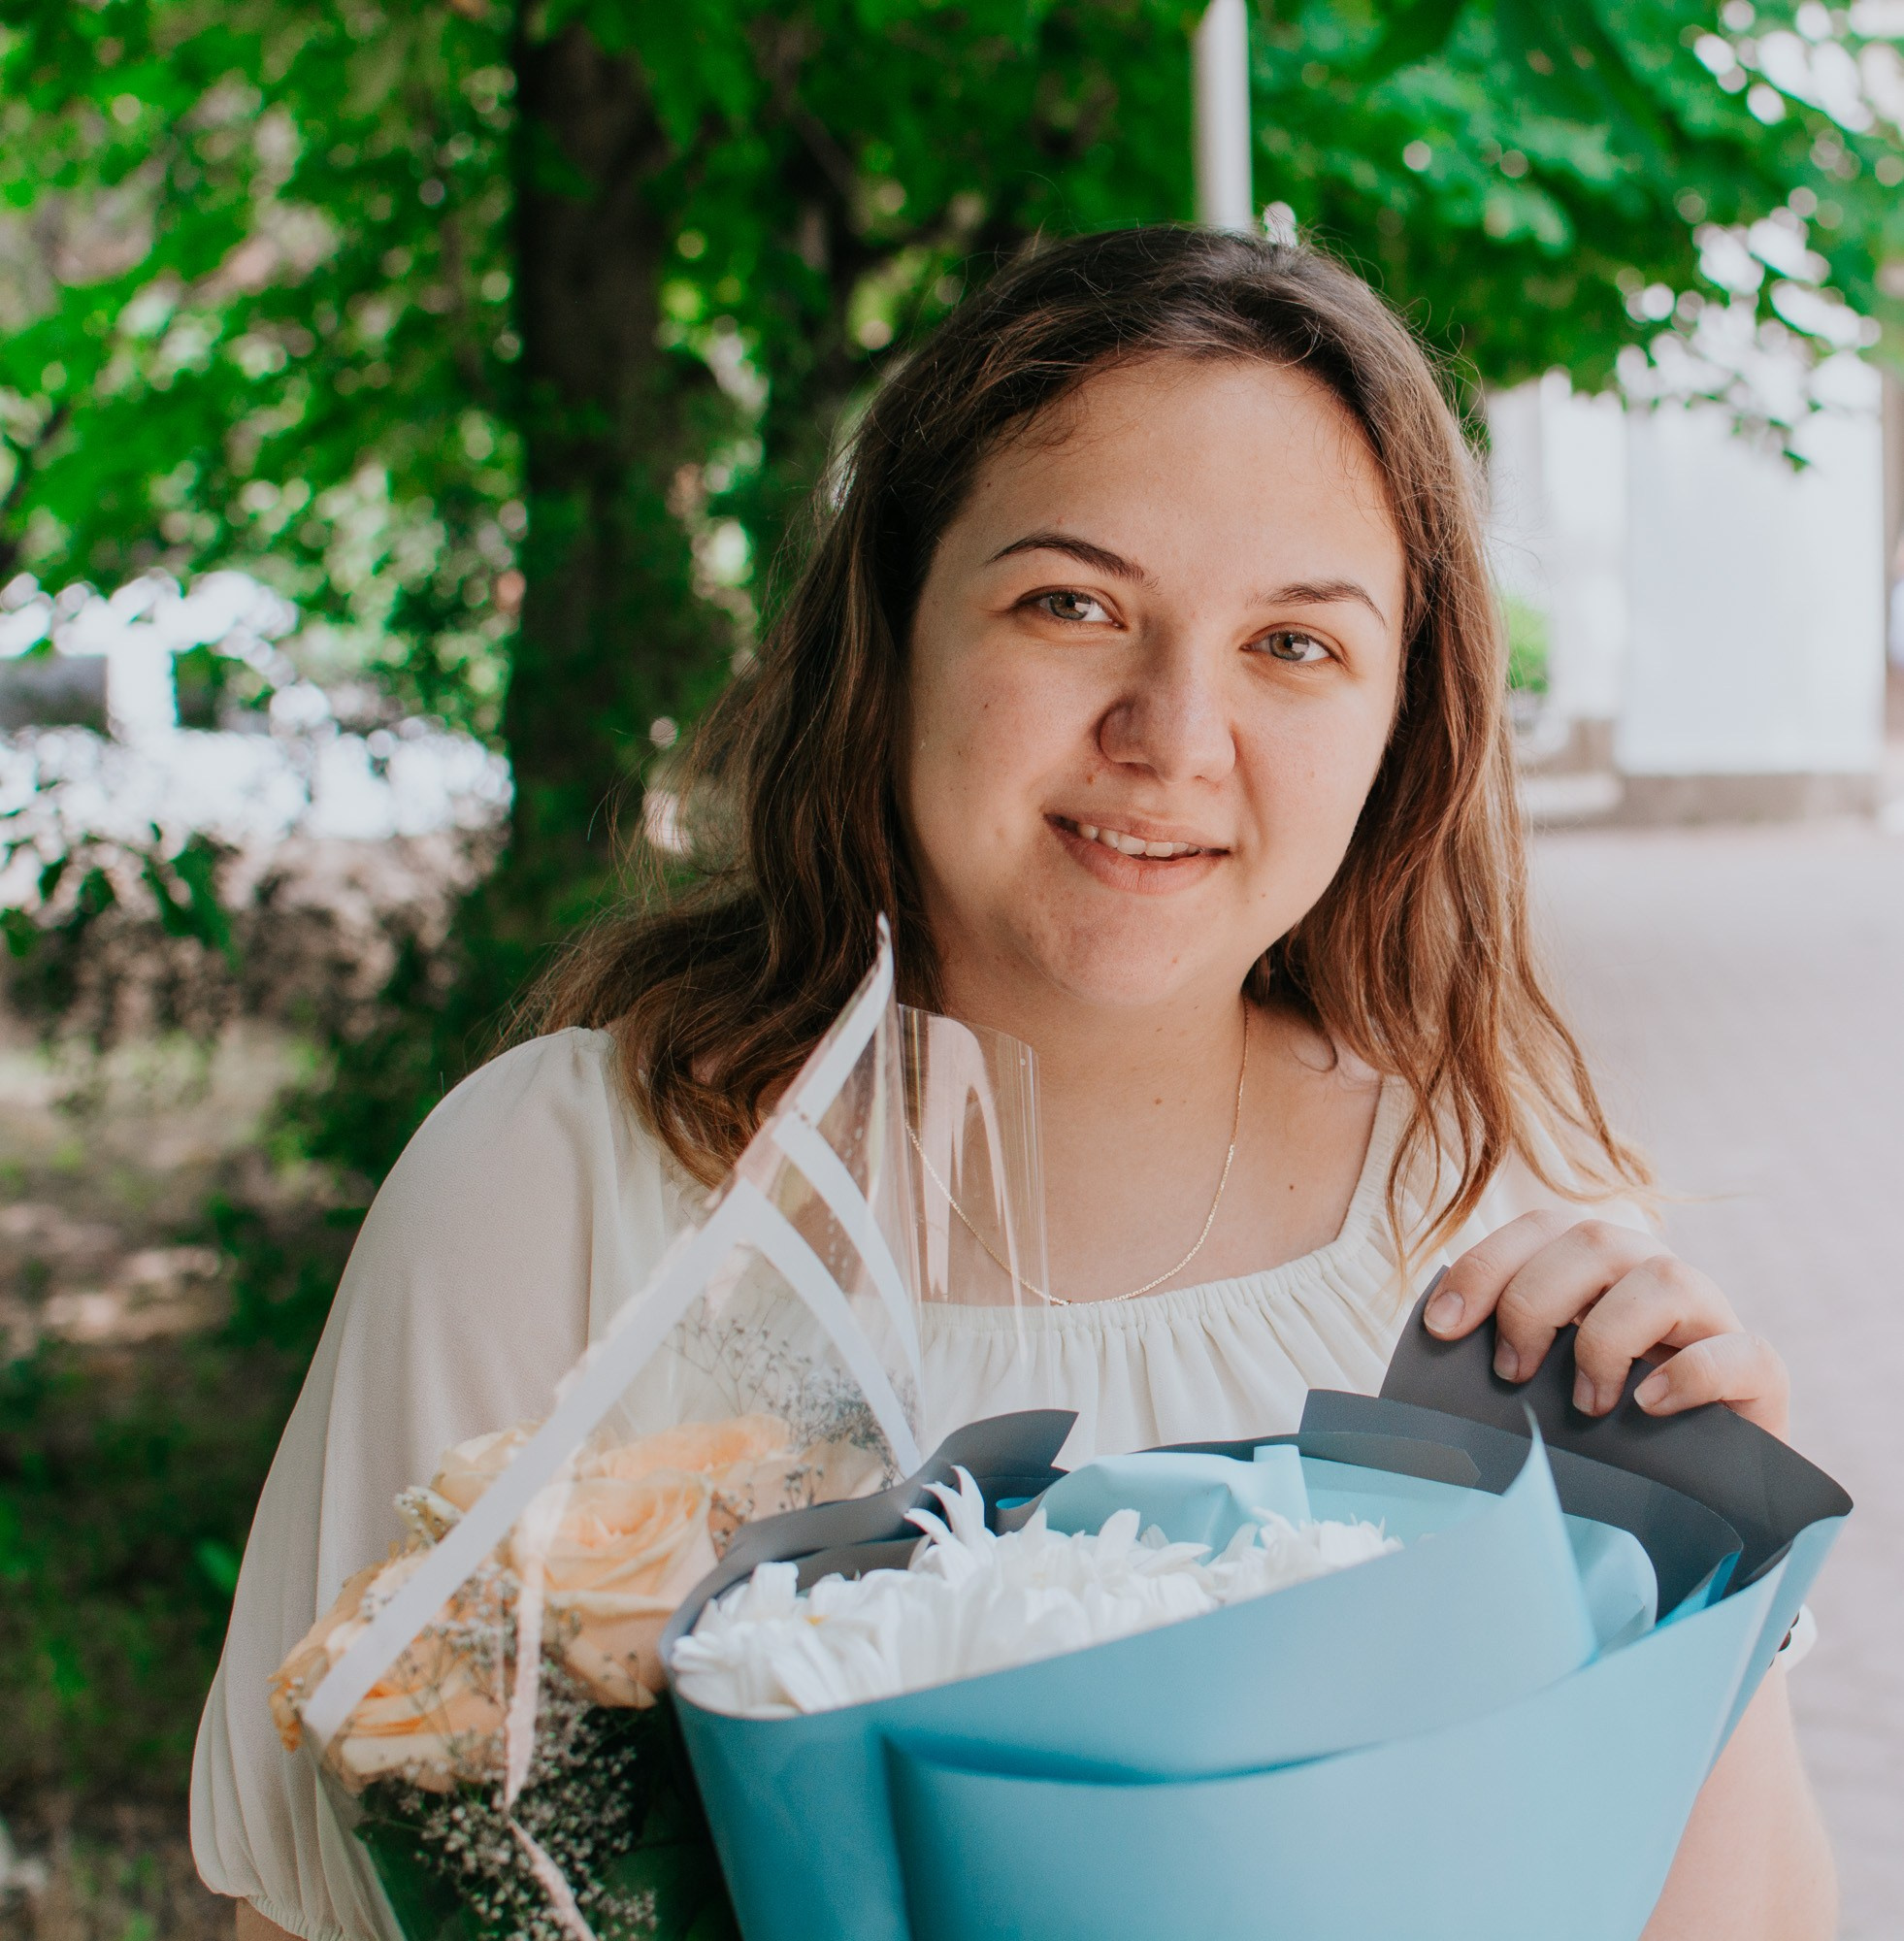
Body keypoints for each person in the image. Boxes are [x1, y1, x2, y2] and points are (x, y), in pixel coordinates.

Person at [194, 226, 1835, 1940]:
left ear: (1401, 721)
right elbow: (323, 1911)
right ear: (893, 627)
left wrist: (1703, 1563)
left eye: (1294, 645)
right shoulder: (557, 1196)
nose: (1172, 731)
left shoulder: (1503, 1239)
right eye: (1072, 604)